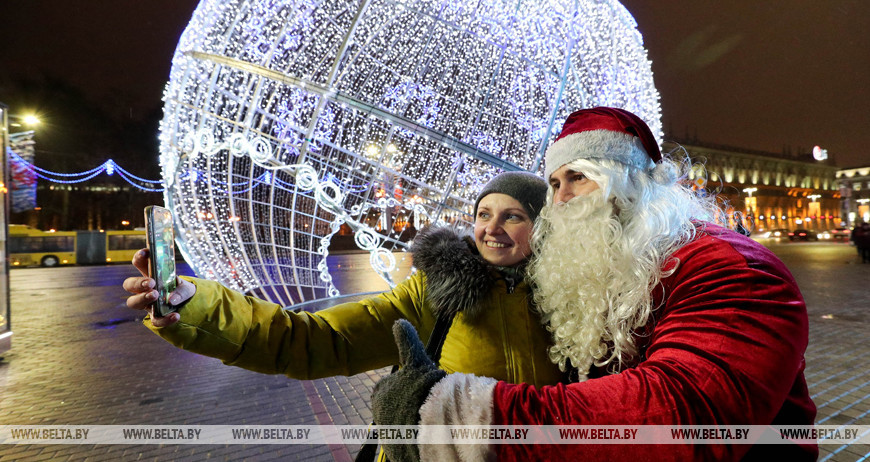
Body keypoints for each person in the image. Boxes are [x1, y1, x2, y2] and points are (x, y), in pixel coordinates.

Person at [371, 107, 817, 461]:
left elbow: (682, 413)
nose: (559, 200)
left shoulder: (730, 268)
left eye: (578, 177)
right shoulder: (602, 270)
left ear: (630, 183)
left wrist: (465, 416)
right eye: (554, 182)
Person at [123, 172, 563, 457]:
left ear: (543, 228)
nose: (491, 228)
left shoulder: (576, 302)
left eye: (513, 216)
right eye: (484, 214)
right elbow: (314, 339)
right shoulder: (434, 292)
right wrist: (193, 303)